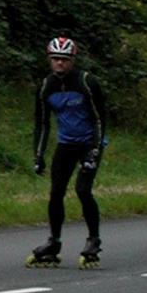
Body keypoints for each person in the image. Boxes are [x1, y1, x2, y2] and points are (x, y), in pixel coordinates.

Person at [28, 35, 108, 268]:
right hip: (66, 144)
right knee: (56, 193)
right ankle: (54, 242)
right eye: (55, 59)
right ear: (49, 59)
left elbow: (100, 119)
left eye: (64, 59)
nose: (60, 63)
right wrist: (38, 156)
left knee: (83, 190)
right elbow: (42, 124)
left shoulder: (86, 82)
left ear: (73, 60)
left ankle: (93, 240)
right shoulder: (46, 86)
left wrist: (95, 150)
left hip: (89, 143)